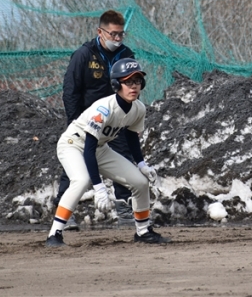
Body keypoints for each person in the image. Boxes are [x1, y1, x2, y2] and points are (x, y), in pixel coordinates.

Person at [46, 58, 170, 246]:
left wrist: (142, 164)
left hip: (100, 148)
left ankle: (143, 231)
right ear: (116, 85)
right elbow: (88, 148)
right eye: (128, 81)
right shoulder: (103, 109)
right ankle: (54, 234)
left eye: (137, 81)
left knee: (140, 182)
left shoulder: (138, 108)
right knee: (81, 180)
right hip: (73, 144)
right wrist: (99, 187)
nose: (133, 86)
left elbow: (131, 137)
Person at [57, 10, 136, 229]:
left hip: (116, 121)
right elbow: (70, 91)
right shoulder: (83, 55)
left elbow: (132, 87)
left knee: (124, 159)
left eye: (121, 34)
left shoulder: (127, 54)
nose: (117, 39)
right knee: (77, 164)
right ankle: (65, 212)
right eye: (113, 34)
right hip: (87, 122)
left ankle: (124, 210)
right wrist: (75, 122)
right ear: (100, 32)